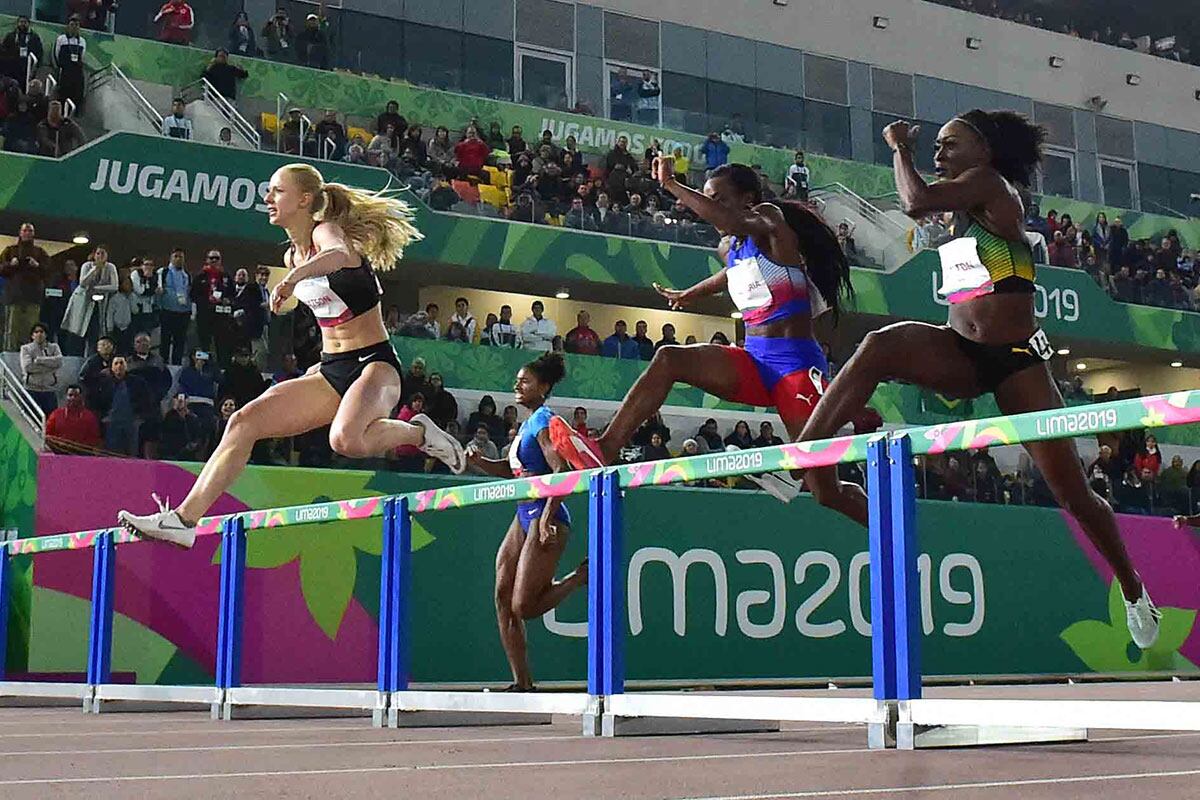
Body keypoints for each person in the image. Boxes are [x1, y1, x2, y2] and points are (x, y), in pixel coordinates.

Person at [791, 110, 1159, 647]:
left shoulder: (990, 185)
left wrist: (899, 148)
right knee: (877, 347)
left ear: (984, 151)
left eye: (950, 144)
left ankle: (1133, 589)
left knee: (1075, 496)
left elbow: (914, 200)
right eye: (936, 146)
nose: (939, 153)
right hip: (960, 352)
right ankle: (803, 455)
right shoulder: (964, 209)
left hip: (1017, 363)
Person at [119, 163, 465, 546]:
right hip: (332, 369)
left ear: (304, 199)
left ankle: (420, 433)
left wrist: (293, 279)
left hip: (375, 364)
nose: (267, 198)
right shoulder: (291, 258)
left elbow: (336, 255)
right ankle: (183, 521)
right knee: (243, 421)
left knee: (346, 440)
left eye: (277, 191)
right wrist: (289, 296)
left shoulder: (324, 233)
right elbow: (323, 306)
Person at [552, 159, 854, 504]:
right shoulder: (728, 248)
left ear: (747, 199)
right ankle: (604, 448)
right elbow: (731, 274)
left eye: (718, 199)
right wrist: (689, 293)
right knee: (669, 358)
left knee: (826, 492)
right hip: (754, 362)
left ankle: (869, 516)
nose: (711, 208)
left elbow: (732, 221)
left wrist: (671, 185)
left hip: (796, 367)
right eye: (708, 199)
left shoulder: (770, 219)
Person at [465, 353, 587, 691]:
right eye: (517, 380)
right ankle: (522, 683)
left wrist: (546, 517)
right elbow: (512, 470)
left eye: (525, 381)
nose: (517, 386)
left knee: (524, 606)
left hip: (547, 516)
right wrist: (480, 462)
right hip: (523, 515)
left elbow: (561, 470)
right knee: (502, 597)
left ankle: (579, 578)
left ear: (543, 387)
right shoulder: (525, 425)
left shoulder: (545, 421)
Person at [60, 245, 118, 355]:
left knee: (95, 332)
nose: (100, 256)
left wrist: (96, 288)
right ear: (94, 255)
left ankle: (92, 357)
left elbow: (114, 286)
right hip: (83, 301)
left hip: (99, 303)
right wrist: (95, 269)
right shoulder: (87, 265)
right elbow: (83, 283)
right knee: (78, 330)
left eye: (103, 253)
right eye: (98, 253)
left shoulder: (110, 267)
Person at [20, 323, 63, 416]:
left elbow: (59, 362)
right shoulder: (26, 349)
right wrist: (50, 366)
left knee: (51, 417)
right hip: (32, 389)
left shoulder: (54, 347)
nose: (39, 334)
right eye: (36, 332)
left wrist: (40, 360)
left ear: (46, 334)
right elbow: (28, 367)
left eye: (41, 331)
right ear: (32, 335)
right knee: (31, 417)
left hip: (49, 389)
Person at [45, 384, 101, 452]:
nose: (73, 398)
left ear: (81, 397)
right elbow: (48, 435)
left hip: (81, 453)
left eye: (76, 396)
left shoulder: (89, 417)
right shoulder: (56, 414)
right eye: (70, 395)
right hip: (58, 452)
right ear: (66, 397)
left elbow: (94, 439)